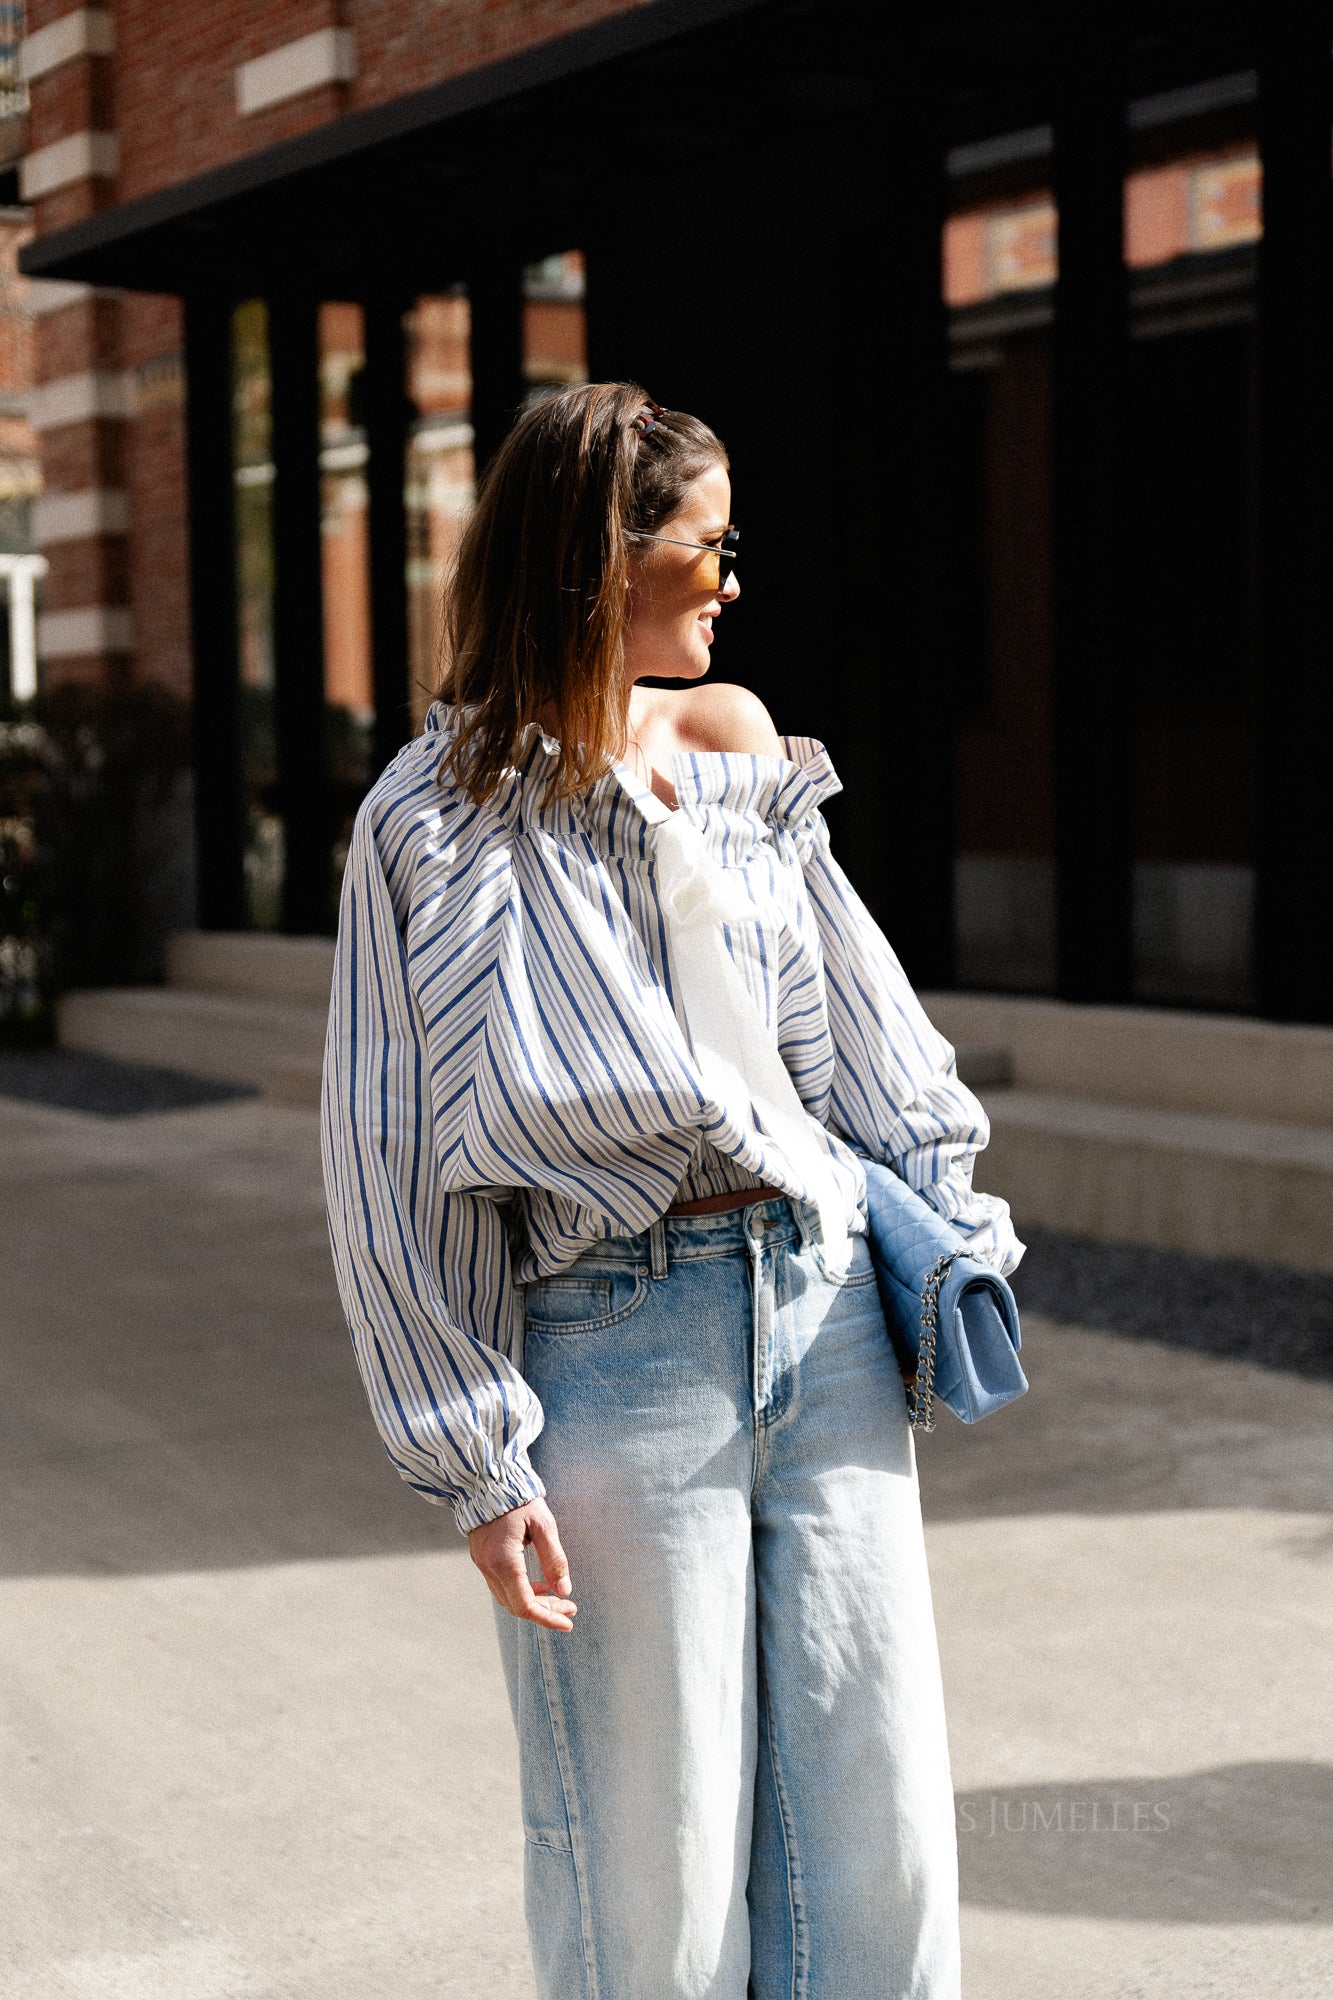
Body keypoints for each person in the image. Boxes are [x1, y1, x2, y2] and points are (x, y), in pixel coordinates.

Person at [321, 381, 1022, 1999]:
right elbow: (387, 1159)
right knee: (655, 1861)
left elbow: (868, 1035)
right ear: (598, 559)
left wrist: (951, 1229)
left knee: (874, 1842)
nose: (730, 581)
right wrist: (474, 1459)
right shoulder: (429, 824)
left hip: (825, 1317)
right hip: (612, 1343)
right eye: (706, 546)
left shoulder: (730, 748)